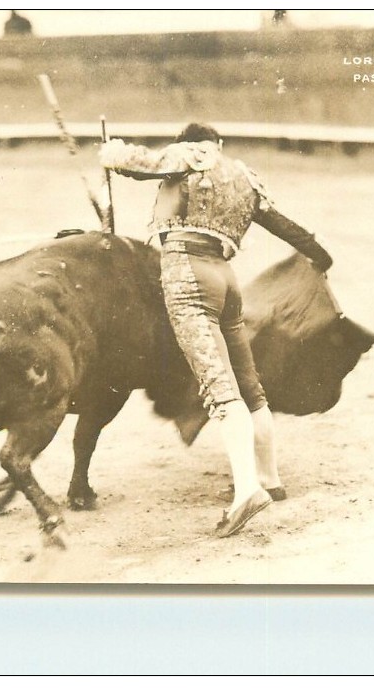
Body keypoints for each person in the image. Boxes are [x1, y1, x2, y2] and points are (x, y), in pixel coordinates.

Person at [99, 123, 333, 537]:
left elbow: (136, 163)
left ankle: (246, 490)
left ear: (190, 142)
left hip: (187, 275)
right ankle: (270, 480)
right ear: (219, 145)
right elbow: (284, 225)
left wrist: (110, 151)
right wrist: (319, 255)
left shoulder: (186, 156)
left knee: (219, 389)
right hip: (226, 280)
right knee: (248, 385)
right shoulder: (243, 175)